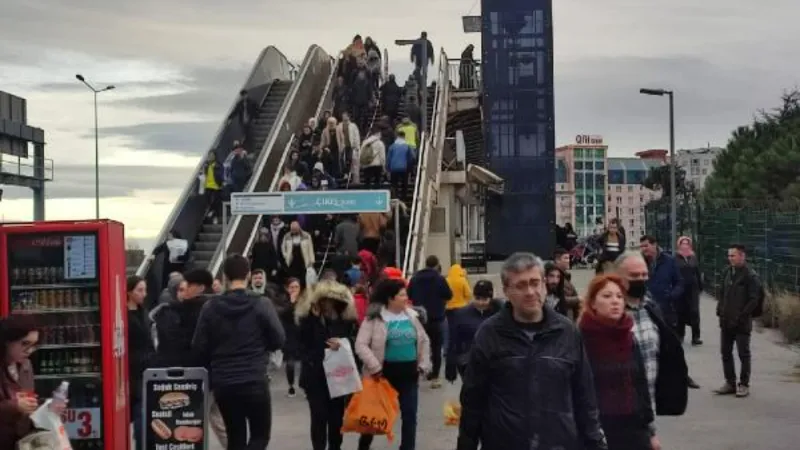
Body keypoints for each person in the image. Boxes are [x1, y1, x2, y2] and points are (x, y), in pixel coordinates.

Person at [457, 253, 606, 450]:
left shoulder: (567, 332)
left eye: (535, 283)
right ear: (506, 291)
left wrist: (595, 443)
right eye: (520, 285)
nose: (530, 291)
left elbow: (585, 397)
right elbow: (473, 401)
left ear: (544, 285)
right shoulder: (489, 334)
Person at [192, 254, 285, 450]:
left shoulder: (210, 307)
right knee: (260, 436)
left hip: (224, 383)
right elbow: (279, 339)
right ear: (249, 275)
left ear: (225, 276)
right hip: (254, 379)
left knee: (235, 437)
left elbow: (199, 346)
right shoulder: (262, 304)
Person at [615, 251, 690, 448]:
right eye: (634, 276)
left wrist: (651, 430)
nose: (640, 280)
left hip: (644, 412)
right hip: (615, 414)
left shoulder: (651, 307)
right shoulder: (610, 313)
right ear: (618, 278)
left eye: (644, 275)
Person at [579, 274, 655, 449]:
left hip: (634, 428)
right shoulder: (580, 340)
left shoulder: (629, 337)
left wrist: (650, 431)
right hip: (599, 431)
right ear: (592, 303)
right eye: (607, 296)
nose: (615, 301)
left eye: (619, 296)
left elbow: (640, 385)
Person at [356, 279, 430, 450]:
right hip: (382, 376)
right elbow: (361, 344)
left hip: (409, 375)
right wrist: (375, 367)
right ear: (390, 298)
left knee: (410, 415)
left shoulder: (412, 316)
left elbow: (424, 340)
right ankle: (364, 445)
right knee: (375, 418)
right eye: (402, 295)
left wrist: (423, 365)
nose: (406, 298)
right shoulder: (374, 318)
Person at [295, 280, 359, 450]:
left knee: (336, 419)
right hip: (314, 376)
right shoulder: (307, 319)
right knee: (318, 418)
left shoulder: (344, 319)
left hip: (338, 376)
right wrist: (314, 320)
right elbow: (302, 344)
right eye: (325, 300)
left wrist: (343, 343)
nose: (328, 304)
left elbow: (354, 342)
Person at [0, 315, 66, 449]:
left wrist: (47, 408)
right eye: (25, 344)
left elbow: (28, 401)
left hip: (23, 442)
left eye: (34, 345)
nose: (29, 350)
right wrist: (14, 406)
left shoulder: (26, 365)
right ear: (7, 341)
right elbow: (15, 405)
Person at [714, 244, 762, 398]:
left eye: (733, 256)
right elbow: (721, 293)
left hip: (741, 322)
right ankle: (730, 382)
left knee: (743, 354)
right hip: (726, 321)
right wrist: (720, 309)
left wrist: (742, 315)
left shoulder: (750, 275)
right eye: (729, 256)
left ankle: (744, 384)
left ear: (742, 256)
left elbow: (754, 299)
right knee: (725, 352)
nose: (730, 258)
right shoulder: (727, 272)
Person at [406, 255, 452, 388]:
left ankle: (418, 373)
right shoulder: (439, 279)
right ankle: (435, 376)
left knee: (418, 347)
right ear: (437, 265)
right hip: (436, 318)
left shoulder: (414, 279)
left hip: (419, 319)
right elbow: (449, 295)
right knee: (436, 347)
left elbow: (409, 294)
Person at [444, 279, 501, 383]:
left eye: (485, 299)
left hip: (494, 363)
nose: (480, 302)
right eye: (477, 298)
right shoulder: (461, 315)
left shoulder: (499, 313)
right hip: (468, 363)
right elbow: (453, 341)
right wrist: (450, 367)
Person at [127, 275, 154, 450]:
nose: (144, 294)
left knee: (143, 412)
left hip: (148, 367)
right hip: (132, 368)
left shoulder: (144, 311)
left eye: (145, 289)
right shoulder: (124, 314)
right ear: (129, 291)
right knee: (140, 411)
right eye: (140, 290)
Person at [675, 236, 703, 346]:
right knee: (680, 313)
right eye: (683, 243)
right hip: (681, 289)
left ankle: (696, 337)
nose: (685, 245)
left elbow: (697, 271)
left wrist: (700, 286)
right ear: (679, 245)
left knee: (694, 312)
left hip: (693, 289)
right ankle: (680, 335)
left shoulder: (693, 257)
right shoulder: (675, 258)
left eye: (687, 243)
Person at [282, 278, 303, 397]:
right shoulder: (283, 300)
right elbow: (283, 314)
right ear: (287, 288)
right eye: (292, 287)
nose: (294, 289)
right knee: (290, 363)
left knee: (305, 363)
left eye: (296, 287)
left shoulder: (304, 301)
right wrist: (291, 302)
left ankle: (305, 385)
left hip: (302, 335)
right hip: (289, 335)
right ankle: (291, 385)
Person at [282, 221, 316, 288]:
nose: (294, 231)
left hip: (303, 261)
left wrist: (312, 261)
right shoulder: (286, 236)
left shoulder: (307, 236)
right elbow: (283, 248)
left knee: (303, 281)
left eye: (295, 229)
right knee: (293, 280)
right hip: (292, 262)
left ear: (299, 228)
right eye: (293, 229)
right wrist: (286, 256)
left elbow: (310, 249)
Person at [387, 129, 415, 199]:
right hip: (404, 168)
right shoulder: (407, 146)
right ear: (404, 137)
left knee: (394, 184)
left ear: (397, 137)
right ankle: (403, 197)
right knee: (404, 184)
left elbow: (388, 158)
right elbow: (413, 157)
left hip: (393, 168)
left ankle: (395, 197)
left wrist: (387, 168)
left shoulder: (392, 146)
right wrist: (409, 166)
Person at [554, 247, 581, 320]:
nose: (568, 261)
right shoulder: (556, 278)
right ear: (557, 260)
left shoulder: (565, 276)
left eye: (568, 258)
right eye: (565, 258)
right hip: (564, 317)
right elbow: (559, 300)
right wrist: (579, 299)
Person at [337, 112, 361, 183]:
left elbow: (356, 136)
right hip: (343, 146)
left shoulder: (353, 125)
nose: (343, 117)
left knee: (352, 161)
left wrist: (357, 146)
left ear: (348, 117)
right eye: (342, 116)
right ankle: (345, 174)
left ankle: (354, 179)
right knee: (342, 161)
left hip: (351, 146)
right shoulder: (339, 126)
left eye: (345, 116)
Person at [202, 150, 224, 223]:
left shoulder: (218, 165)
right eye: (209, 155)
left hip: (216, 186)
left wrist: (221, 183)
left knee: (216, 202)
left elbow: (221, 174)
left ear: (215, 156)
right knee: (207, 200)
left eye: (212, 155)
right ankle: (212, 213)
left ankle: (214, 216)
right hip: (208, 185)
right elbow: (203, 174)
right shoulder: (206, 165)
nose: (210, 157)